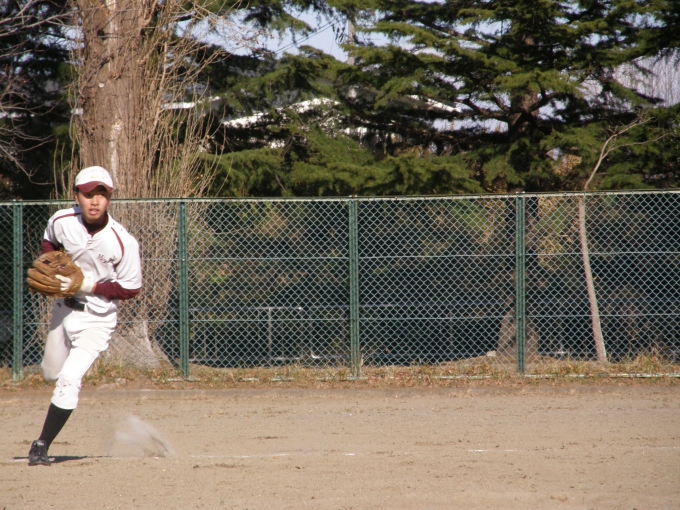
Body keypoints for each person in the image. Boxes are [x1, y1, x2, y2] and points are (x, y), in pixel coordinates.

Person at [28, 166, 142, 466]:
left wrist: (87, 285)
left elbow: (130, 288)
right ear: (76, 196)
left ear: (109, 199)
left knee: (68, 380)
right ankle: (58, 396)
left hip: (97, 319)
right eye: (88, 194)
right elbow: (49, 241)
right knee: (51, 373)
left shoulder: (122, 241)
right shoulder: (62, 221)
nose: (95, 201)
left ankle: (40, 445)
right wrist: (50, 262)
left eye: (102, 194)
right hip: (62, 310)